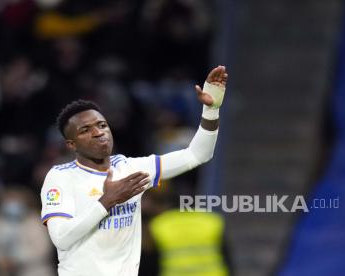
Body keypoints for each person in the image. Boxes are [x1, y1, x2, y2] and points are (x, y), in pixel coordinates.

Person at [40, 65, 228, 276]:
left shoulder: (130, 168)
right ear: (71, 145)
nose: (98, 132)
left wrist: (211, 110)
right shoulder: (61, 177)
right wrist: (106, 201)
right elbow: (61, 239)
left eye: (102, 125)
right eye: (85, 130)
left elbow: (197, 155)